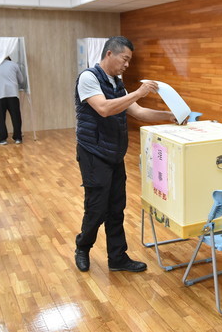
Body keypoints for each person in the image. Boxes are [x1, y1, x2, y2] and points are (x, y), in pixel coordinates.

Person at [74, 36, 176, 273]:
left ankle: (117, 258)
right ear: (110, 54)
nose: (127, 65)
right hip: (93, 153)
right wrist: (138, 92)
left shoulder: (116, 83)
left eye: (129, 61)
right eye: (125, 59)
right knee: (97, 208)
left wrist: (168, 115)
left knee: (117, 207)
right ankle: (82, 247)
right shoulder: (88, 78)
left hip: (114, 154)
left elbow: (138, 112)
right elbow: (104, 108)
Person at [0, 56, 24, 145]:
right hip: (13, 94)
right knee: (16, 117)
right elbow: (21, 80)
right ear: (10, 58)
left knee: (0, 118)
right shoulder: (14, 65)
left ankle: (2, 139)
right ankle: (18, 138)